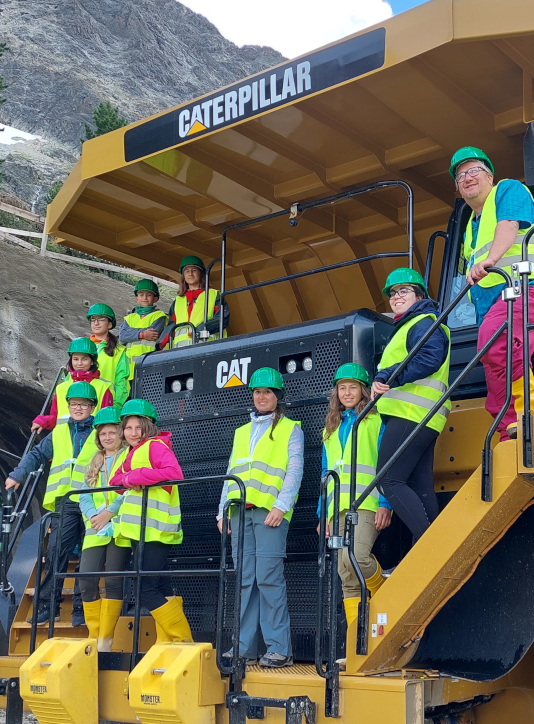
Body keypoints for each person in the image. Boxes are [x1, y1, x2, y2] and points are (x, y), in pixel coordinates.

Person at [451, 146, 534, 438]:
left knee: (497, 344)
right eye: (460, 176)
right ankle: (509, 433)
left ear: (489, 175)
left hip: (526, 291)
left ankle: (526, 417)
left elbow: (509, 225)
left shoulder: (508, 190)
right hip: (492, 307)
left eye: (473, 171)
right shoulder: (471, 225)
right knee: (493, 367)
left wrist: (490, 260)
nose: (467, 178)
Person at [216, 368, 302, 668]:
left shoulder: (291, 428)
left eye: (267, 392)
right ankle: (243, 648)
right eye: (257, 391)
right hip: (240, 513)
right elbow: (231, 473)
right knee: (244, 580)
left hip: (270, 514)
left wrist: (281, 506)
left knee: (268, 579)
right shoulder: (242, 432)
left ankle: (279, 648)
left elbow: (294, 471)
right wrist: (222, 510)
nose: (261, 396)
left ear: (278, 396)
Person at [7, 381, 101, 625]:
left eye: (84, 404)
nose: (78, 408)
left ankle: (81, 610)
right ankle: (49, 606)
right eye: (74, 404)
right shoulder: (58, 432)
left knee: (87, 556)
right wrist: (18, 474)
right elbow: (37, 454)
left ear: (93, 407)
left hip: (94, 499)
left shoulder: (102, 432)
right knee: (56, 552)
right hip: (65, 501)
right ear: (67, 406)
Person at [371, 268, 450, 546]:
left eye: (403, 290)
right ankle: (435, 549)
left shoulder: (424, 322)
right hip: (422, 418)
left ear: (419, 295)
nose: (396, 297)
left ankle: (428, 546)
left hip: (410, 415)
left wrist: (388, 376)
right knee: (419, 486)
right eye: (392, 293)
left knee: (388, 480)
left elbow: (430, 358)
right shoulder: (411, 325)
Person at [108, 399, 193, 643]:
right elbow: (115, 481)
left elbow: (175, 473)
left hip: (154, 531)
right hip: (141, 532)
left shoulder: (155, 446)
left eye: (138, 427)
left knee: (145, 590)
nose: (133, 433)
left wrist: (135, 476)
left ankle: (183, 640)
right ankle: (171, 642)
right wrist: (129, 478)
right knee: (162, 589)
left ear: (149, 427)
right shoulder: (131, 452)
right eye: (128, 428)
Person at [318, 364, 392, 614]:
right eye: (342, 388)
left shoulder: (376, 420)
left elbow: (386, 463)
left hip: (367, 503)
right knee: (344, 573)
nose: (347, 393)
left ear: (363, 390)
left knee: (356, 557)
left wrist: (385, 504)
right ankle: (355, 644)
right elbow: (325, 475)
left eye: (352, 387)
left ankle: (384, 591)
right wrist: (322, 515)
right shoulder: (330, 430)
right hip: (336, 509)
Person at [72, 406, 127, 652]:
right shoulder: (94, 460)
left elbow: (128, 492)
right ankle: (95, 634)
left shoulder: (128, 457)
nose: (107, 437)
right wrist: (94, 516)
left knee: (114, 580)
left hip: (119, 527)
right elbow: (83, 495)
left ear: (120, 434)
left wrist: (109, 513)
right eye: (103, 433)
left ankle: (106, 639)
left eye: (112, 432)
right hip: (95, 527)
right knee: (86, 580)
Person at [30, 338, 113, 431]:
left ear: (92, 361)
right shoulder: (61, 388)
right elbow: (55, 418)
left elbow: (107, 422)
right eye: (75, 359)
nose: (79, 363)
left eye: (84, 359)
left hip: (89, 443)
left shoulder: (103, 388)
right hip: (64, 442)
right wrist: (43, 421)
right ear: (71, 361)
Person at [162, 254, 228, 349]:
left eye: (194, 270)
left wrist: (199, 330)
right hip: (180, 351)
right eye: (187, 271)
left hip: (206, 347)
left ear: (201, 273)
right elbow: (171, 325)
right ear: (183, 275)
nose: (190, 274)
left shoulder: (214, 295)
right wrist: (159, 345)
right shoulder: (178, 301)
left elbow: (222, 318)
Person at [86, 303, 130, 412]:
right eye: (93, 319)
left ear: (110, 324)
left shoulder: (119, 351)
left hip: (105, 405)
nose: (96, 323)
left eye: (101, 319)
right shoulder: (82, 347)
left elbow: (122, 384)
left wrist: (115, 408)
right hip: (80, 405)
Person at [119, 279, 168, 364]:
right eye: (141, 295)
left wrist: (130, 332)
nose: (144, 298)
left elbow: (153, 333)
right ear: (137, 298)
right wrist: (142, 334)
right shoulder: (129, 317)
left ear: (155, 298)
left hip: (150, 362)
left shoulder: (159, 316)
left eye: (149, 295)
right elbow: (122, 336)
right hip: (129, 366)